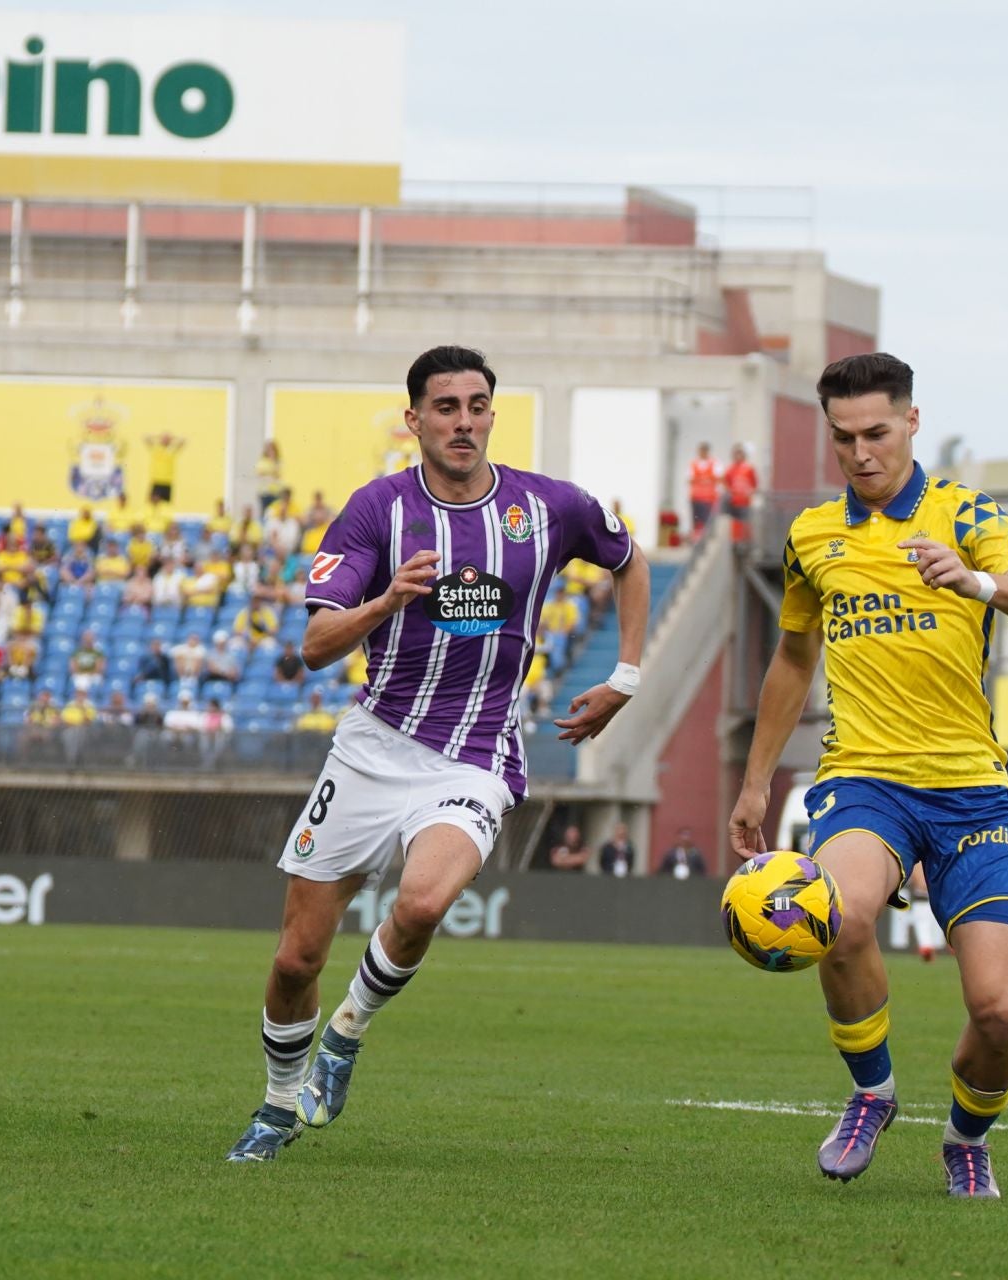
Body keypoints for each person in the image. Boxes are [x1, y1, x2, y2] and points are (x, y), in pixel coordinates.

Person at [226, 345, 649, 1162]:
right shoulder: (373, 511)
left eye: (477, 405)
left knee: (420, 905)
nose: (464, 421)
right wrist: (387, 598)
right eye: (446, 407)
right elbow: (315, 644)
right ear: (414, 419)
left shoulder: (547, 507)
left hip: (477, 754)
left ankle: (346, 1033)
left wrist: (624, 675)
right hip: (372, 747)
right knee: (293, 959)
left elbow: (628, 561)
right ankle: (277, 1106)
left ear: (493, 412)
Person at [726, 352, 1008, 1198]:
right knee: (835, 920)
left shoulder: (967, 515)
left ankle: (964, 1139)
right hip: (863, 778)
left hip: (972, 791)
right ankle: (871, 1093)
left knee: (998, 1012)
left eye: (877, 432)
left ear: (912, 423)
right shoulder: (813, 535)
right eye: (843, 438)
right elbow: (794, 655)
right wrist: (756, 779)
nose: (861, 452)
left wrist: (978, 580)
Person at [687, 442, 719, 541]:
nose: (702, 452)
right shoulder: (694, 464)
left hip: (709, 498)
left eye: (704, 450)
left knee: (707, 522)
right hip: (696, 497)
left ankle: (706, 541)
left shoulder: (714, 463)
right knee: (697, 522)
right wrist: (704, 479)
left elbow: (719, 478)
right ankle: (696, 540)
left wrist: (701, 479)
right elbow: (689, 479)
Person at [145, 433, 186, 505]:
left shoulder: (172, 450)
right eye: (164, 439)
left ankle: (161, 516)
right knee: (152, 503)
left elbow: (183, 440)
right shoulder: (156, 449)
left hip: (167, 481)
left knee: (166, 505)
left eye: (167, 439)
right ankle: (153, 516)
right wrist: (159, 437)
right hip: (156, 480)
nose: (165, 440)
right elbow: (145, 437)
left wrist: (172, 438)